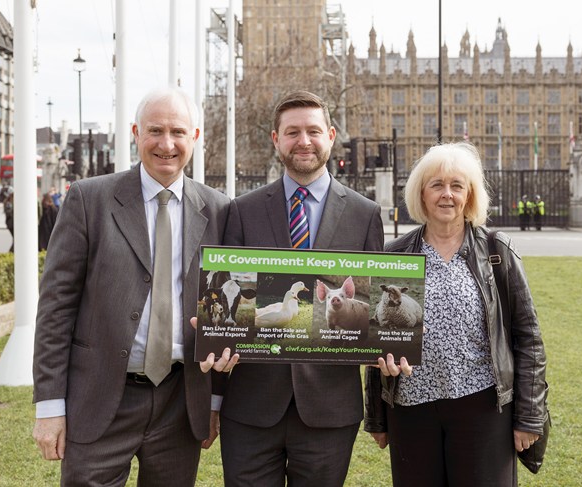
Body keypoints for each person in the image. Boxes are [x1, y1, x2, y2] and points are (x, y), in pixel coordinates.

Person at [32, 87, 238, 486]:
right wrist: (49, 407)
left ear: (195, 137)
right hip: (100, 395)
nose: (166, 144)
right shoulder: (89, 200)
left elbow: (225, 309)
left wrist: (213, 399)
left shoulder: (219, 210)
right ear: (135, 133)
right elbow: (56, 309)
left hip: (181, 401)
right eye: (154, 130)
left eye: (178, 132)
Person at [219, 90, 408, 486]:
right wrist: (213, 396)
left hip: (329, 409)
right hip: (251, 408)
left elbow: (373, 311)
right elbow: (232, 301)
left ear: (331, 136)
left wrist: (387, 358)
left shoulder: (364, 213)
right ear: (276, 139)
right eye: (292, 132)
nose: (303, 141)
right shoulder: (242, 210)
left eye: (313, 131)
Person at [364, 142, 548, 486]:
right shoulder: (396, 254)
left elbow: (528, 338)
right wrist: (377, 418)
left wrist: (529, 416)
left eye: (456, 186)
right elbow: (379, 335)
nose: (446, 195)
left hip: (482, 406)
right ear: (422, 194)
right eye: (436, 185)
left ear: (470, 195)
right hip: (411, 408)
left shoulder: (497, 251)